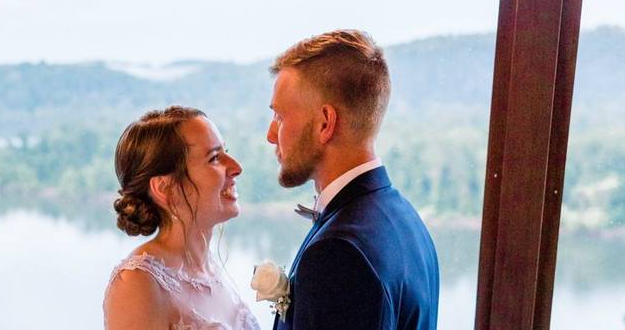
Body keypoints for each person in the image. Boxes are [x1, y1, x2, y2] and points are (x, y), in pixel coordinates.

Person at [266, 30, 439, 330]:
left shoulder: (338, 255)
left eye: (280, 117)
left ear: (325, 123)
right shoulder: (405, 218)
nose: (271, 134)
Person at [104, 106, 261, 330]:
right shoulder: (139, 282)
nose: (236, 167)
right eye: (215, 158)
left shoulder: (214, 271)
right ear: (165, 188)